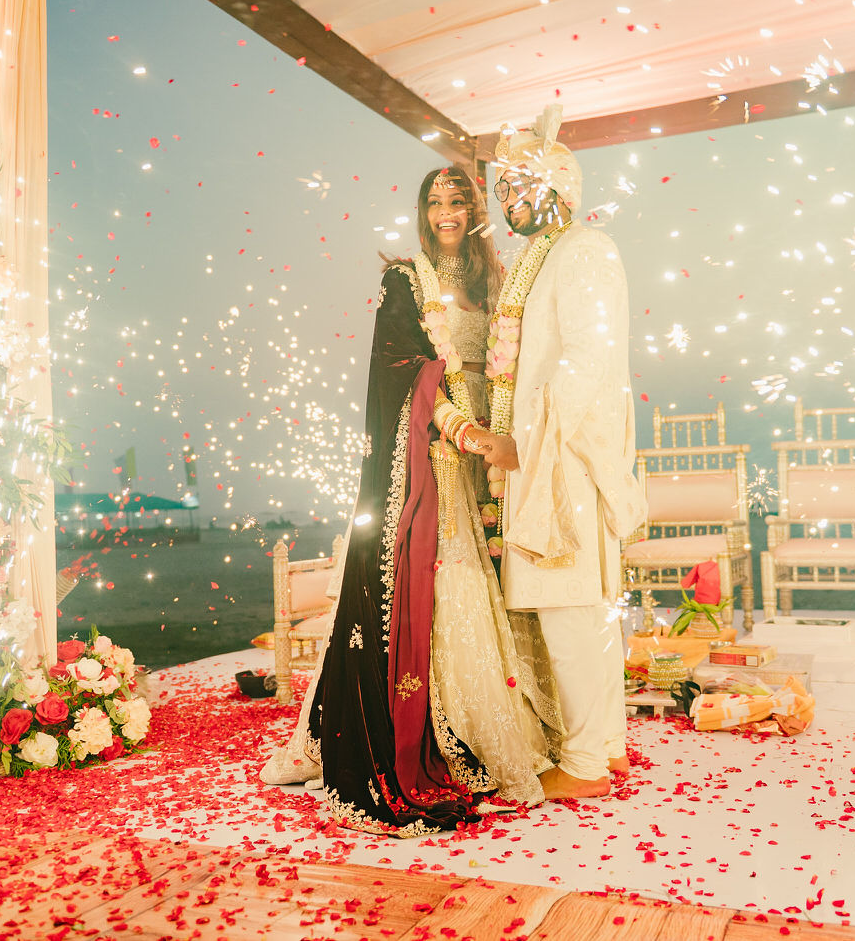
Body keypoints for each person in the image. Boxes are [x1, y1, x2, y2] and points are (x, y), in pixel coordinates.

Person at [261, 165, 559, 837]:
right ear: (422, 212)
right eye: (436, 202)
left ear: (475, 213)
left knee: (497, 573)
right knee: (447, 577)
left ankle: (509, 717)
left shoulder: (496, 282)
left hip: (496, 455)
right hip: (439, 454)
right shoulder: (405, 281)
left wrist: (505, 432)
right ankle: (446, 723)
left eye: (459, 202)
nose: (447, 212)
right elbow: (398, 370)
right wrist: (463, 429)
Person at [481, 105, 647, 800]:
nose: (505, 202)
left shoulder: (583, 250)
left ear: (555, 187)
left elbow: (588, 357)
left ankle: (581, 764)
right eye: (502, 190)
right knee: (584, 609)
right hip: (551, 456)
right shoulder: (542, 259)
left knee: (571, 606)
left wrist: (526, 440)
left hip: (563, 461)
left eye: (518, 188)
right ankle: (606, 746)